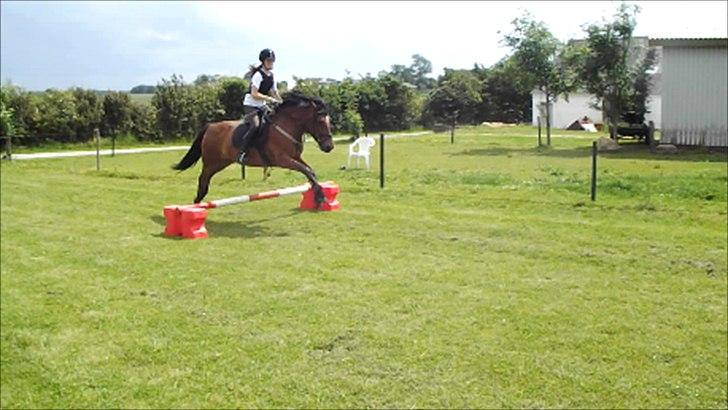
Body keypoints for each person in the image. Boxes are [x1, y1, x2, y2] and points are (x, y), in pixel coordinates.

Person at [237, 48, 283, 164]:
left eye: (272, 61)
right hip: (250, 105)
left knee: (272, 124)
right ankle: (242, 153)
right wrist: (269, 99)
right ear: (263, 61)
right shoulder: (258, 75)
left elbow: (274, 92)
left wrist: (281, 102)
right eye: (268, 60)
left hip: (262, 105)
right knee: (256, 126)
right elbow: (254, 94)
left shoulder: (272, 76)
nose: (271, 63)